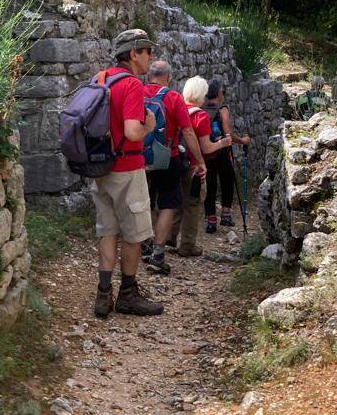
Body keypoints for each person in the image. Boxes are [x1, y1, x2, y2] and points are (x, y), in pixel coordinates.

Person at [91, 29, 164, 319]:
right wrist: (149, 124)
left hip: (100, 168)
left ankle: (102, 295)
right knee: (134, 234)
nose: (151, 56)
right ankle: (128, 295)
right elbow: (133, 130)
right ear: (133, 54)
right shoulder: (132, 84)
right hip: (127, 168)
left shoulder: (101, 78)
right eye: (147, 51)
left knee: (107, 231)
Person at [142, 59, 207, 275]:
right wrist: (199, 161)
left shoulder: (137, 92)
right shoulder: (172, 97)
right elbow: (188, 133)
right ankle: (158, 254)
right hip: (167, 159)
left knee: (144, 202)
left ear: (149, 74)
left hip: (138, 158)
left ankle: (143, 245)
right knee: (169, 203)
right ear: (168, 77)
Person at [176, 75, 232, 257]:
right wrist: (222, 144)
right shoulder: (200, 115)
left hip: (172, 160)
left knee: (172, 202)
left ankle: (165, 240)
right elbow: (206, 146)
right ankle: (187, 245)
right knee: (192, 204)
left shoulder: (176, 108)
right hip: (192, 164)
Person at [203, 78, 251, 234]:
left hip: (207, 151)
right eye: (223, 92)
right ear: (219, 93)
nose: (224, 95)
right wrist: (243, 140)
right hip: (223, 150)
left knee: (210, 184)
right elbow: (228, 134)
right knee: (227, 180)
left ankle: (210, 219)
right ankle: (226, 214)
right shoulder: (222, 109)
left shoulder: (202, 107)